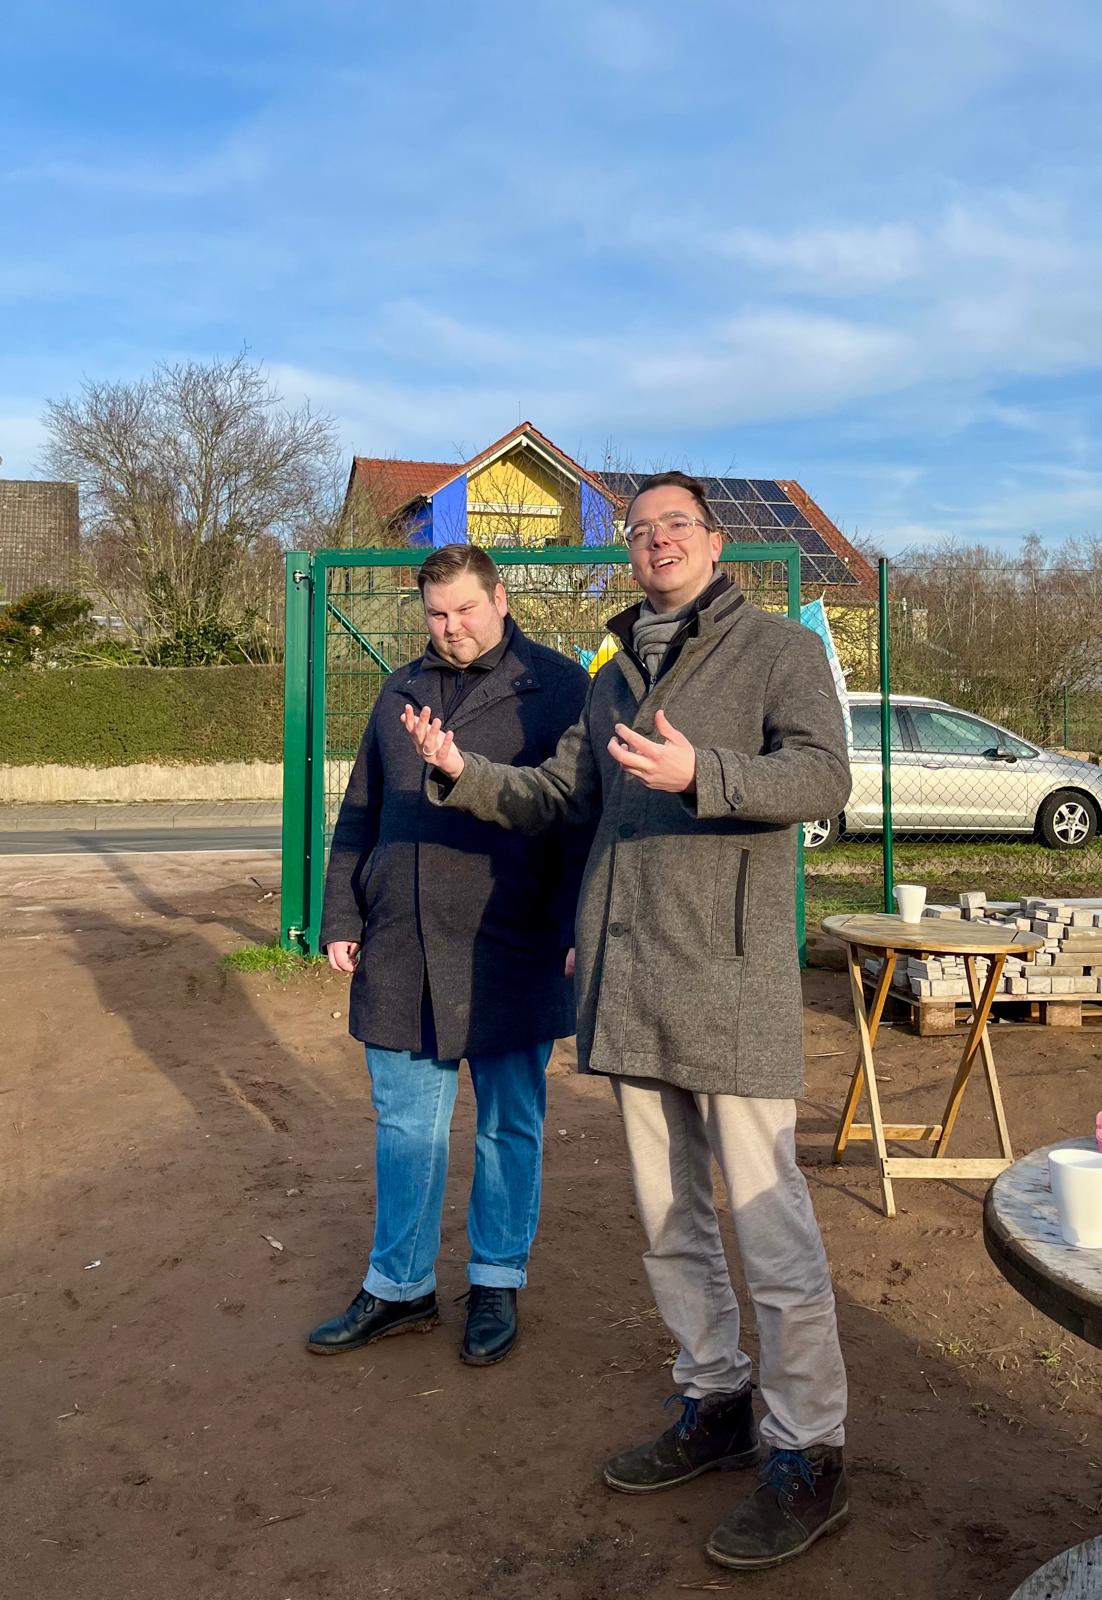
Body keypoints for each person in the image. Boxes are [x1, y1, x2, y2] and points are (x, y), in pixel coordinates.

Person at [401, 473, 854, 1570]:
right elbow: (560, 795)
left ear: (715, 541)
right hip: (634, 979)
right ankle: (715, 1399)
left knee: (770, 1227)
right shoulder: (612, 677)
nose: (656, 542)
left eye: (674, 525)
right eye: (641, 530)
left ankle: (810, 1449)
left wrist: (707, 772)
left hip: (730, 979)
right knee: (667, 1220)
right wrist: (462, 770)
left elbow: (824, 777)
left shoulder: (780, 651)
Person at [309, 543, 589, 1367]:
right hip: (401, 938)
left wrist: (577, 922)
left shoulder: (558, 687)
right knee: (406, 1125)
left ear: (500, 599)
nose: (451, 627)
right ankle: (399, 1287)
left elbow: (577, 819)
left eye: (466, 609)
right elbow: (359, 809)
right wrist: (342, 911)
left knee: (510, 1121)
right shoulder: (399, 688)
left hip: (512, 939)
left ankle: (497, 1280)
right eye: (436, 613)